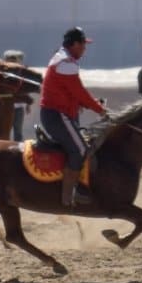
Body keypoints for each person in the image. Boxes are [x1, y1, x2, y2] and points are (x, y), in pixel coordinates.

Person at [38, 27, 107, 206]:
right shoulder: (67, 63)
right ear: (75, 44)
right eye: (83, 45)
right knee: (80, 150)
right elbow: (79, 92)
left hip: (58, 113)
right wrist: (100, 110)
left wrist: (91, 104)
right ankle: (68, 197)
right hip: (58, 115)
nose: (85, 49)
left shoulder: (64, 59)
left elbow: (73, 93)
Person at [2, 49, 29, 141]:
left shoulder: (22, 74)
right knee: (5, 130)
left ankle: (18, 147)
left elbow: (25, 89)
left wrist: (27, 104)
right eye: (10, 60)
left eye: (15, 60)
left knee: (18, 131)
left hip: (19, 108)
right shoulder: (3, 74)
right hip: (6, 107)